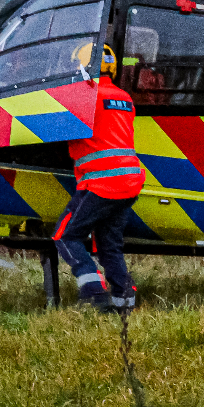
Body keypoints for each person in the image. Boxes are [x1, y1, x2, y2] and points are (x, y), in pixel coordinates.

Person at [53, 44, 145, 312]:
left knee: (65, 237)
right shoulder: (124, 98)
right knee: (109, 246)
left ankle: (93, 291)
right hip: (129, 182)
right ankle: (124, 300)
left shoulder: (83, 97)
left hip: (100, 183)